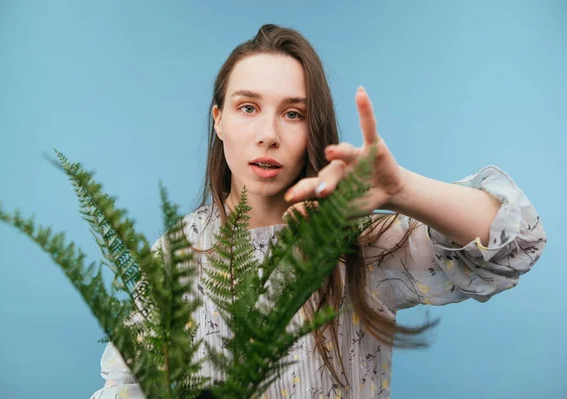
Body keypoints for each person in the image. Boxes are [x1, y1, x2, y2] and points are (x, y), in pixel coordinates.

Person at [90, 24, 547, 399]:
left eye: (293, 114)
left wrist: (403, 190)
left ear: (314, 129)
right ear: (219, 120)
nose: (268, 134)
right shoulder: (175, 256)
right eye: (248, 107)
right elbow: (125, 386)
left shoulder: (361, 242)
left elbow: (518, 244)